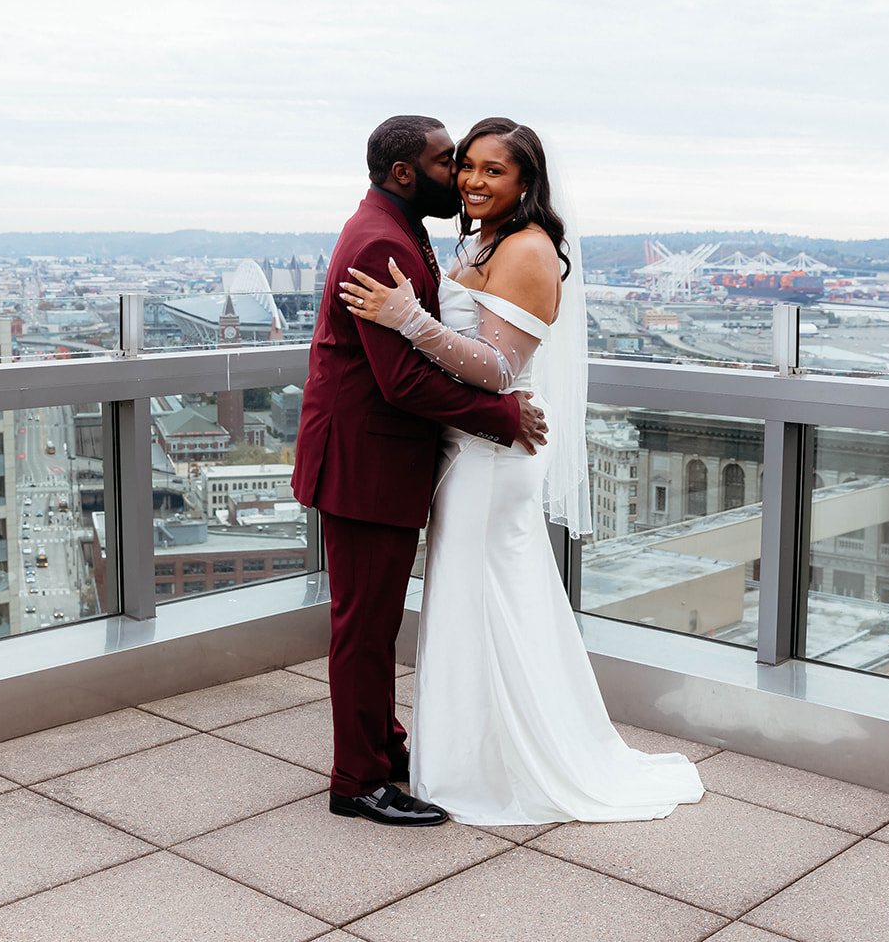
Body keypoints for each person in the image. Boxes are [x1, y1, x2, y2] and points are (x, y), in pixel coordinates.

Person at [338, 117, 704, 824]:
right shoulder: (485, 240)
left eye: (490, 170)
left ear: (527, 182)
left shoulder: (529, 250)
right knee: (473, 601)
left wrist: (408, 318)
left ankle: (483, 763)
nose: (471, 180)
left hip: (486, 459)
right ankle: (468, 750)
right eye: (465, 165)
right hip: (464, 449)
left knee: (478, 598)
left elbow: (503, 366)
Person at [293, 115, 550, 828]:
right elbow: (402, 380)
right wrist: (501, 416)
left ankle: (383, 745)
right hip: (364, 462)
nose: (462, 175)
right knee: (364, 627)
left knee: (371, 622)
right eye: (450, 163)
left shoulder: (397, 227)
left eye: (476, 165)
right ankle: (358, 781)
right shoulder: (380, 239)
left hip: (375, 458)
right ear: (407, 173)